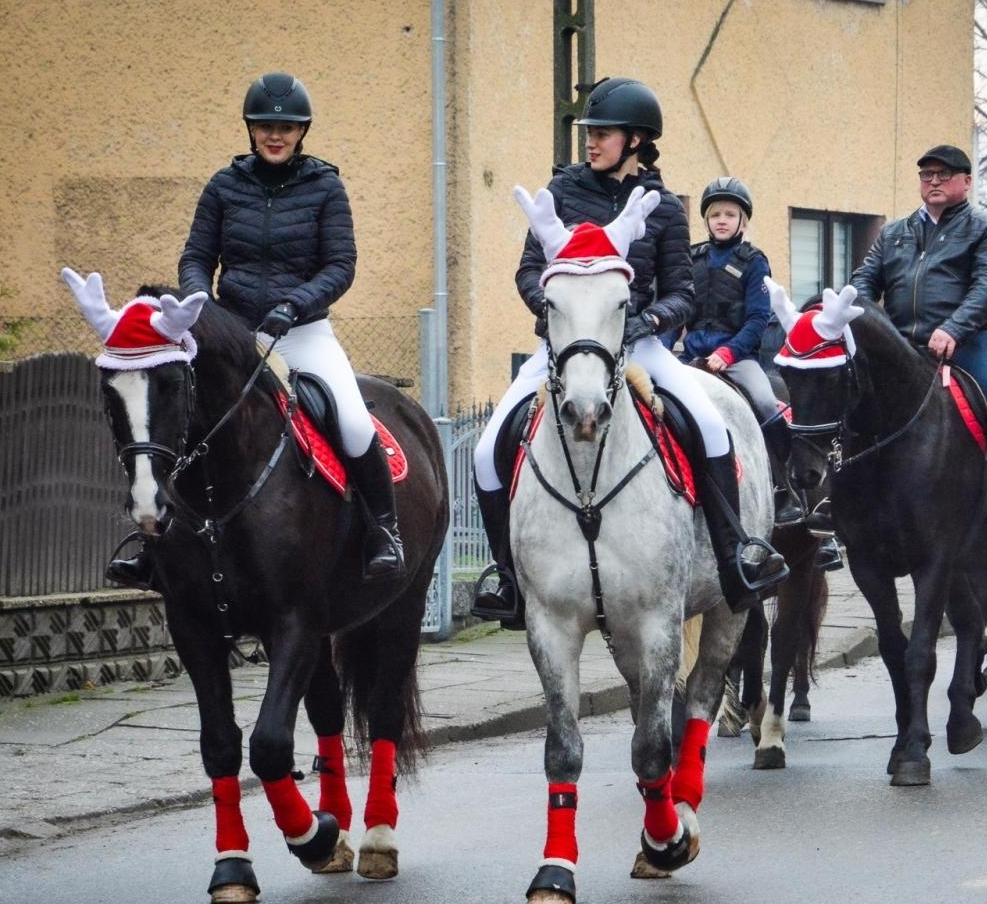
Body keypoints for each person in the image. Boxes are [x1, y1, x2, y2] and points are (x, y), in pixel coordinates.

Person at [469, 78, 788, 627]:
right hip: (568, 350)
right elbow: (528, 269)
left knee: (712, 428)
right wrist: (550, 314)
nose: (590, 142)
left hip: (641, 347)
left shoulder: (663, 207)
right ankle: (508, 576)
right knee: (484, 451)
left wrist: (647, 320)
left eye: (602, 133)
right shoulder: (562, 193)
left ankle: (736, 555)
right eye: (588, 132)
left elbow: (683, 292)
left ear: (636, 139)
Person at [107, 72, 401, 590]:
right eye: (266, 126)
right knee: (178, 423)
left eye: (286, 128)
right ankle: (155, 546)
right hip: (231, 333)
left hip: (301, 332)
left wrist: (297, 303)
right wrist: (202, 307)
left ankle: (383, 531)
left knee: (353, 422)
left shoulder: (325, 186)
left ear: (301, 133)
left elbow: (341, 264)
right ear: (250, 130)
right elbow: (197, 257)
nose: (276, 135)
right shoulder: (224, 185)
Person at [666, 177, 843, 572]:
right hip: (691, 355)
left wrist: (728, 352)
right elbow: (676, 314)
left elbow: (758, 319)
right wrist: (659, 352)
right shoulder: (690, 259)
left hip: (738, 357)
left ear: (743, 221)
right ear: (707, 220)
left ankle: (788, 492)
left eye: (730, 214)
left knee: (766, 405)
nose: (722, 220)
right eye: (715, 214)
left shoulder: (753, 261)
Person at [850, 144, 987, 529]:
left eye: (943, 174)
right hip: (899, 344)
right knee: (844, 391)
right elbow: (864, 279)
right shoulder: (894, 231)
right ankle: (836, 493)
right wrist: (865, 319)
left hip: (967, 341)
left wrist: (953, 328)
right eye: (926, 175)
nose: (933, 181)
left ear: (966, 181)